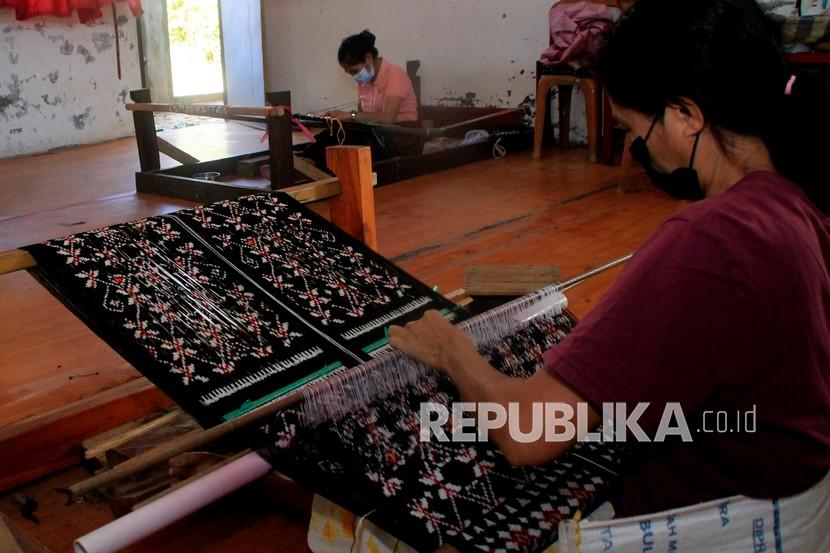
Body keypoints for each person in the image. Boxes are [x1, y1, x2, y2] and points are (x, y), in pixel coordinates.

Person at [390, 0, 830, 517]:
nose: (639, 152)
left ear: (685, 116)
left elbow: (529, 432)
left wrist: (452, 351)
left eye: (633, 131)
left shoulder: (708, 239)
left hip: (717, 512)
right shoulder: (795, 204)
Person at [299, 30, 422, 171]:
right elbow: (363, 118)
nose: (354, 77)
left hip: (401, 137)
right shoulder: (364, 81)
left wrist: (350, 115)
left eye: (353, 71)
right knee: (331, 135)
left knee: (348, 148)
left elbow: (388, 118)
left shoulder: (395, 75)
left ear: (368, 58)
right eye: (349, 73)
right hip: (376, 133)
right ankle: (308, 167)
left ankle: (323, 174)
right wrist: (339, 119)